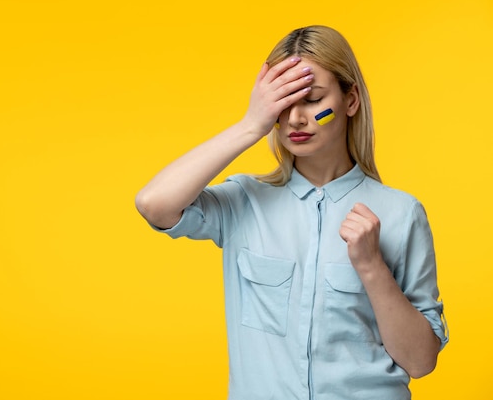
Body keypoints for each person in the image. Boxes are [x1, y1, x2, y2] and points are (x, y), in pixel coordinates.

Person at [135, 25, 448, 400]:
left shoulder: (401, 213)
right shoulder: (243, 202)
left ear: (351, 101)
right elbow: (154, 204)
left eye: (313, 99)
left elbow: (420, 361)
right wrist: (251, 125)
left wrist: (371, 267)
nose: (296, 118)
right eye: (283, 103)